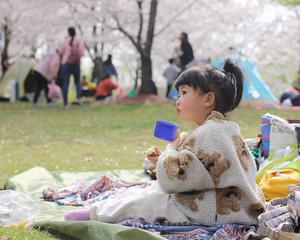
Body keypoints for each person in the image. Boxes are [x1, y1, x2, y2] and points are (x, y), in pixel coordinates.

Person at [64, 60, 264, 226]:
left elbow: (175, 180)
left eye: (184, 93)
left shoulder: (209, 132)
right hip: (232, 206)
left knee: (150, 201)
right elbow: (201, 171)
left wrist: (172, 147)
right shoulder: (225, 129)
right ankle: (101, 209)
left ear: (207, 99)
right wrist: (171, 152)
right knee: (150, 191)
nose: (178, 100)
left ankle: (95, 214)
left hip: (216, 212)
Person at [58, 27, 85, 107]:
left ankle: (65, 102)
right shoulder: (79, 41)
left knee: (66, 83)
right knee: (77, 82)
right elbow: (82, 53)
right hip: (76, 64)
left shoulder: (65, 41)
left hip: (66, 64)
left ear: (68, 33)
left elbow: (60, 52)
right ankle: (78, 99)